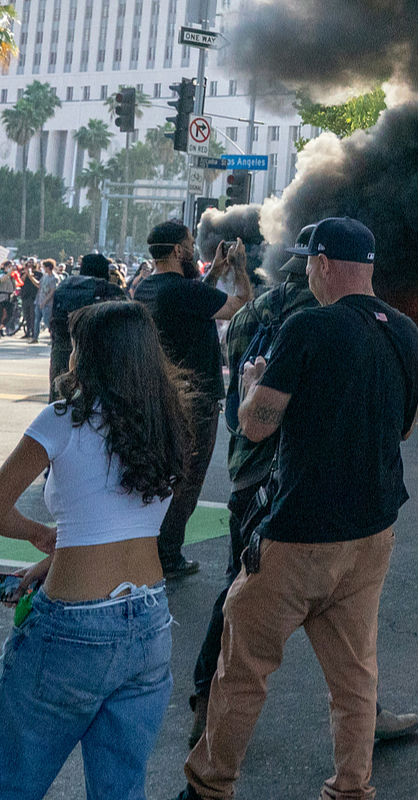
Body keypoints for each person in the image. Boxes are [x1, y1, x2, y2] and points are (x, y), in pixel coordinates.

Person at [179, 217, 418, 800]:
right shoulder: (406, 332)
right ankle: (351, 787)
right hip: (373, 532)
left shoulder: (308, 326)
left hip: (301, 532)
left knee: (242, 665)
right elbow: (405, 428)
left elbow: (256, 426)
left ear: (321, 263)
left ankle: (209, 786)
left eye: (311, 262)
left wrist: (253, 384)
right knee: (354, 675)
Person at [0, 299, 190, 800]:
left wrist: (41, 536)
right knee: (120, 789)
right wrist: (58, 557)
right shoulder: (165, 420)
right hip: (150, 620)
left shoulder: (62, 419)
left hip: (74, 627)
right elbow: (124, 520)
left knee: (4, 785)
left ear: (91, 356)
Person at [136, 221, 248, 580]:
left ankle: (147, 549)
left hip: (159, 394)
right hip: (195, 400)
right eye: (190, 244)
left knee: (162, 476)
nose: (193, 249)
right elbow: (240, 307)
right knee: (187, 481)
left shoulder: (146, 287)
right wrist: (239, 269)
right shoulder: (183, 291)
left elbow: (193, 301)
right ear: (177, 251)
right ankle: (168, 556)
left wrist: (213, 273)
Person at [50, 254, 127, 397]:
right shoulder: (110, 290)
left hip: (62, 352)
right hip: (98, 358)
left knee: (60, 401)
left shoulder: (64, 287)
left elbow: (53, 322)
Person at [33, 259, 59, 344]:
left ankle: (53, 338)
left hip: (48, 304)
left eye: (44, 267)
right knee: (36, 321)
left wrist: (44, 302)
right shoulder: (44, 276)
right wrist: (30, 276)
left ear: (48, 267)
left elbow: (52, 291)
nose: (43, 269)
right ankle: (35, 337)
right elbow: (39, 285)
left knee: (47, 321)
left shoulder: (54, 278)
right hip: (39, 301)